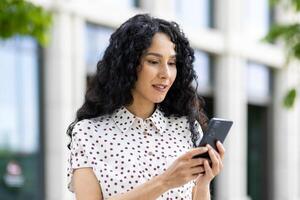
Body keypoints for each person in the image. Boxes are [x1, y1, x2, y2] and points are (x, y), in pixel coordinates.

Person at [66, 14, 225, 200]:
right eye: (153, 61)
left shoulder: (186, 128)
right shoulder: (89, 133)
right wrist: (165, 181)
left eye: (172, 63)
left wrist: (204, 181)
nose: (166, 74)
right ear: (128, 65)